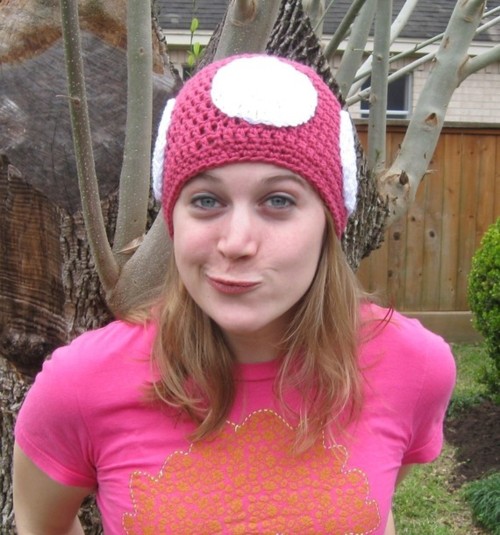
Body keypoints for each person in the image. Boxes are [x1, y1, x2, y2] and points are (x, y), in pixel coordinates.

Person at [13, 54, 456, 535]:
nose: (236, 242)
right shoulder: (79, 386)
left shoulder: (415, 367)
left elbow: (374, 505)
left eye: (278, 201)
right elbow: (42, 525)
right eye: (207, 200)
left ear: (329, 221)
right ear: (173, 219)